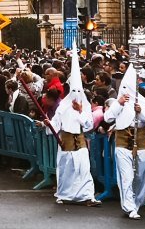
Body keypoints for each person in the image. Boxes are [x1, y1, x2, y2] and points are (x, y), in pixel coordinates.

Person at [39, 41, 101, 206]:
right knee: (66, 169)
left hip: (79, 141)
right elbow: (56, 123)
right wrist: (47, 124)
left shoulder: (85, 106)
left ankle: (87, 196)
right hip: (65, 142)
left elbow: (88, 125)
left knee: (83, 168)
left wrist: (80, 112)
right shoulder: (63, 107)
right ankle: (65, 194)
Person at [104, 64, 145, 219]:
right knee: (126, 176)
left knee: (140, 175)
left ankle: (137, 201)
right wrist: (118, 104)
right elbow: (108, 118)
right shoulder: (118, 101)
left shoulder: (143, 102)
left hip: (140, 143)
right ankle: (129, 207)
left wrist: (140, 113)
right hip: (122, 143)